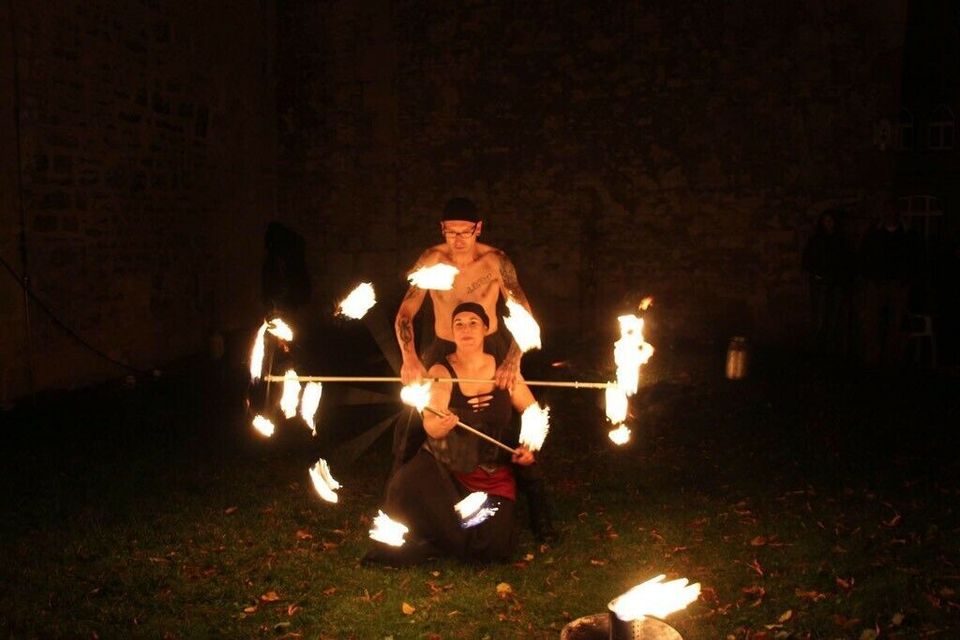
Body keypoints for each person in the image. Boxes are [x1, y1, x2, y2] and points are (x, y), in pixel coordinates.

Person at [391, 197, 559, 543]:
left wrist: (513, 359)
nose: (458, 239)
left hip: (490, 343)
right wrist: (410, 356)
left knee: (507, 424)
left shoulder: (494, 261)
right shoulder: (432, 260)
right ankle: (398, 507)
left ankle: (540, 512)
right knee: (414, 421)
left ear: (478, 228)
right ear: (442, 230)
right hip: (442, 345)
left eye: (465, 232)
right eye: (450, 232)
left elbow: (523, 311)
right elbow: (406, 313)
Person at [365, 303, 538, 565]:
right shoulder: (440, 371)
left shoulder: (505, 372)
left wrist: (530, 445)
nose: (466, 329)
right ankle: (436, 537)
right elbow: (431, 423)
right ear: (452, 332)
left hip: (491, 474)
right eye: (459, 323)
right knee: (403, 485)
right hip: (446, 467)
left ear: (485, 329)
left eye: (473, 323)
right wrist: (440, 425)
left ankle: (446, 540)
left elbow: (532, 411)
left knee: (494, 548)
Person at [857, 198, 921, 367]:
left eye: (893, 210)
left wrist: (907, 280)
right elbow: (865, 256)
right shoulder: (874, 234)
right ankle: (873, 359)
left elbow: (915, 259)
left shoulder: (908, 235)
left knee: (896, 323)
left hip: (898, 284)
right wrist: (869, 277)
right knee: (872, 322)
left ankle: (891, 360)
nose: (890, 214)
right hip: (877, 283)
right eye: (887, 210)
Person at [802, 209, 855, 354]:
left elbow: (847, 262)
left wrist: (842, 279)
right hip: (820, 284)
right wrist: (816, 274)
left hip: (836, 284)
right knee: (819, 317)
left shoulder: (841, 241)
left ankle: (830, 348)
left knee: (834, 317)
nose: (828, 224)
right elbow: (807, 260)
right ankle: (818, 348)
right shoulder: (816, 240)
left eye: (830, 220)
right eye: (826, 221)